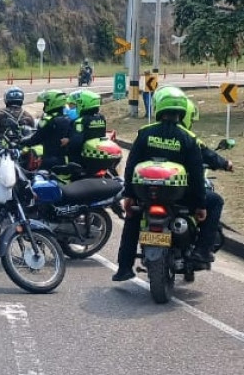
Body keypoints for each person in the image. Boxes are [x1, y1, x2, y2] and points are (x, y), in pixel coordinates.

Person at [114, 86, 206, 281]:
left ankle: (124, 267)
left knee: (132, 221)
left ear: (158, 107)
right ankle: (200, 254)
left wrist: (129, 195)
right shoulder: (188, 138)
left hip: (146, 194)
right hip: (180, 197)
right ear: (182, 112)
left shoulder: (145, 133)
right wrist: (200, 205)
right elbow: (197, 174)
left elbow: (131, 166)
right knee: (214, 203)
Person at [179, 98, 231, 264]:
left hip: (153, 191)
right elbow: (209, 155)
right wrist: (226, 164)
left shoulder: (150, 133)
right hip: (184, 191)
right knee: (215, 201)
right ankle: (202, 250)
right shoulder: (189, 137)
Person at [20, 90, 71, 171]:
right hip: (65, 159)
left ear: (52, 103)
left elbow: (36, 139)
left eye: (46, 103)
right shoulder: (68, 119)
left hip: (50, 161)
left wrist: (22, 142)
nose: (44, 105)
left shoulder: (48, 120)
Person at [66, 89, 106, 173]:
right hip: (97, 155)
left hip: (81, 161)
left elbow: (76, 143)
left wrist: (68, 141)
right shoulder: (101, 118)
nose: (72, 108)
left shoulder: (80, 121)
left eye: (74, 106)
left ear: (82, 104)